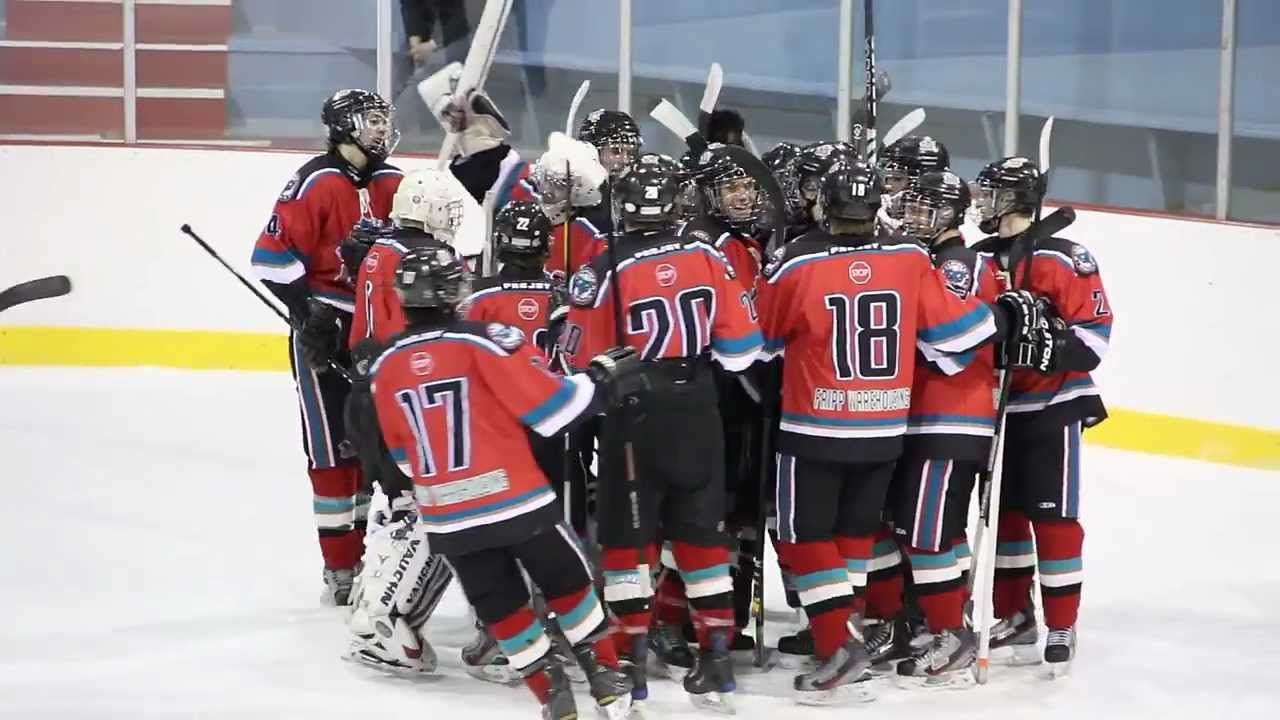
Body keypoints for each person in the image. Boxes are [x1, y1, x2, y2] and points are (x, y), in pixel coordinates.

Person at [755, 159, 1042, 704]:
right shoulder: (911, 260)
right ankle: (853, 642)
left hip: (815, 427)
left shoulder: (796, 262)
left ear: (824, 208)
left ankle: (842, 645)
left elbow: (754, 342)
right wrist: (1006, 315)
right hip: (886, 430)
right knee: (856, 538)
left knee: (804, 538)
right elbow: (961, 331)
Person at [369, 243, 639, 720]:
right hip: (517, 503)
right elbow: (552, 409)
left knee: (504, 610)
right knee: (570, 586)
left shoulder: (384, 368)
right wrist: (601, 380)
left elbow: (404, 459)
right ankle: (609, 687)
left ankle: (554, 701)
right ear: (453, 292)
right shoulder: (480, 340)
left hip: (449, 520)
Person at [563, 160, 764, 713]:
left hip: (634, 411)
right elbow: (742, 348)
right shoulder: (707, 253)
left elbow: (578, 359)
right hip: (698, 407)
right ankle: (717, 659)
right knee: (701, 534)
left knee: (630, 541)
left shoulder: (605, 262)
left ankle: (630, 664)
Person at [249, 88, 403, 604]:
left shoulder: (393, 181)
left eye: (385, 119)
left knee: (374, 447)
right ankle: (341, 567)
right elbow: (270, 257)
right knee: (330, 447)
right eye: (371, 120)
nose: (381, 129)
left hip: (378, 331)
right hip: (325, 325)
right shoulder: (315, 181)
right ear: (344, 126)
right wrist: (307, 314)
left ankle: (375, 559)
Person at [970, 156, 1113, 675]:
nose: (981, 203)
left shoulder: (1064, 256)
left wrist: (1045, 343)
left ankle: (1061, 621)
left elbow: (1093, 339)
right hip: (995, 410)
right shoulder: (979, 258)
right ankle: (1014, 615)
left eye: (990, 194)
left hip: (1053, 405)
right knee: (1005, 516)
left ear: (1013, 199)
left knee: (1051, 517)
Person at [882, 170, 999, 686]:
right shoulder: (934, 261)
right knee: (936, 532)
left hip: (951, 417)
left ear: (953, 215)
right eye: (910, 208)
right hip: (933, 419)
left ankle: (952, 635)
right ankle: (950, 624)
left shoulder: (958, 265)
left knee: (927, 535)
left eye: (926, 211)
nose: (914, 219)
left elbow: (946, 340)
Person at [530, 132, 610, 279]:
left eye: (558, 185)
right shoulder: (531, 216)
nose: (548, 191)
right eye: (546, 180)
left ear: (580, 189)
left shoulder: (590, 232)